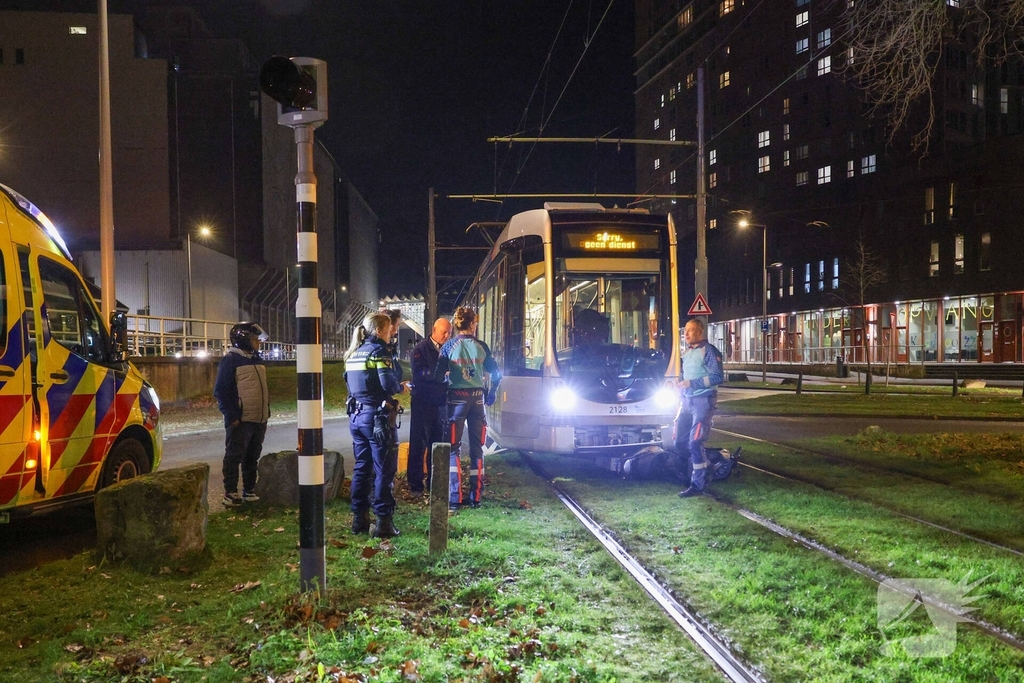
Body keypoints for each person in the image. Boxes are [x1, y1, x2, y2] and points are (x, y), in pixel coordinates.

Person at [345, 311, 409, 537]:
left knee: (362, 468)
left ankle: (359, 519)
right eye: (391, 328)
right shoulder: (379, 352)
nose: (392, 332)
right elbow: (388, 384)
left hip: (357, 417)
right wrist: (401, 387)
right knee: (384, 470)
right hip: (378, 419)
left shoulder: (354, 353)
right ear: (381, 329)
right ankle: (383, 523)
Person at [434, 307, 501, 510]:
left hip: (456, 400)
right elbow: (497, 373)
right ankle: (476, 497)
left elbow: (437, 376)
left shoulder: (448, 346)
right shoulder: (482, 346)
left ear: (456, 325)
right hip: (478, 400)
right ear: (473, 324)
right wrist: (492, 392)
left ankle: (455, 499)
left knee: (454, 449)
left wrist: (448, 381)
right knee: (477, 449)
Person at [214, 322, 270, 507]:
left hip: (259, 418)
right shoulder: (230, 360)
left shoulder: (256, 359)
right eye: (255, 339)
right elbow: (221, 391)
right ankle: (230, 493)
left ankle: (249, 490)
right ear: (244, 340)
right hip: (241, 420)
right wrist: (232, 416)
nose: (258, 343)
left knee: (252, 455)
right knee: (234, 455)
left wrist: (266, 411)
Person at [676, 318, 725, 498]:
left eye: (690, 330)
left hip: (703, 401)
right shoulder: (686, 353)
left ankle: (698, 484)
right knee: (679, 442)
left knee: (695, 442)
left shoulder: (709, 351)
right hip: (687, 402)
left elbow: (717, 377)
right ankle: (705, 468)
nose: (686, 334)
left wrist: (691, 383)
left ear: (700, 332)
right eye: (685, 331)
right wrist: (679, 383)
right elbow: (683, 375)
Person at [408, 318, 453, 498]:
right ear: (434, 330)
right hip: (422, 403)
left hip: (440, 403)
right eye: (444, 332)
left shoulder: (448, 349)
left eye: (449, 332)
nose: (447, 335)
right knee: (419, 444)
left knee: (437, 444)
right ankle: (415, 485)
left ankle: (434, 483)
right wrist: (440, 375)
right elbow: (419, 373)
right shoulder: (420, 349)